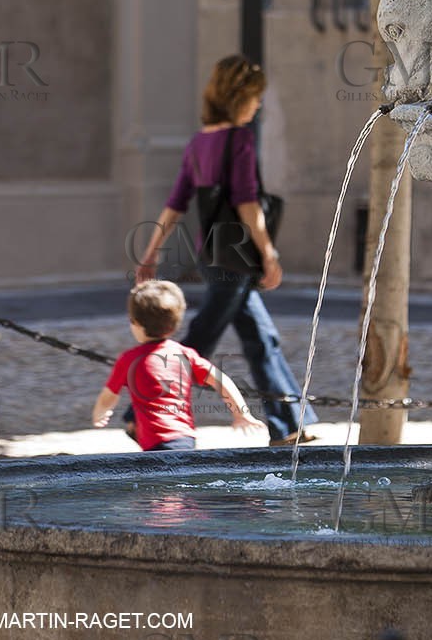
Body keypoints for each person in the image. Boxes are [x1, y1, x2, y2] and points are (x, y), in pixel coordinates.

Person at [134, 55, 319, 446]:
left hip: (213, 256)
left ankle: (287, 426)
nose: (258, 104)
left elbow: (175, 204)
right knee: (201, 338)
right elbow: (248, 203)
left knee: (261, 339)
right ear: (238, 97)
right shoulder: (239, 140)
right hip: (235, 259)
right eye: (254, 96)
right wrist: (269, 254)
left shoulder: (199, 143)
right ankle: (140, 412)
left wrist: (151, 253)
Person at [93, 280, 264, 450]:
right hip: (185, 439)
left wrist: (101, 412)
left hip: (156, 445)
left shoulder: (128, 359)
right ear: (175, 324)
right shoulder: (184, 354)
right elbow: (221, 379)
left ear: (135, 323)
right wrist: (242, 413)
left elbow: (109, 395)